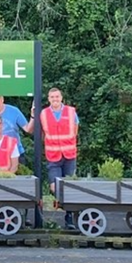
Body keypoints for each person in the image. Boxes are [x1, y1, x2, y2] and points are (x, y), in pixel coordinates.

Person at [39, 87, 79, 230]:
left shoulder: (70, 111)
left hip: (69, 154)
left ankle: (69, 217)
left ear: (61, 97)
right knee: (54, 187)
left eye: (57, 96)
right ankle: (62, 205)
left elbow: (75, 129)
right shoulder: (43, 114)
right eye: (52, 97)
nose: (55, 99)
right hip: (53, 155)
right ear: (48, 99)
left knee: (70, 186)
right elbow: (42, 133)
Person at [0, 96, 34, 164]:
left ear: (2, 99)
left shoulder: (14, 111)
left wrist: (33, 116)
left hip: (16, 153)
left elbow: (28, 129)